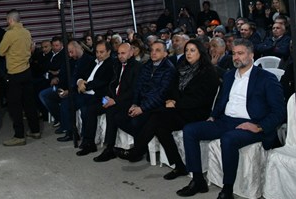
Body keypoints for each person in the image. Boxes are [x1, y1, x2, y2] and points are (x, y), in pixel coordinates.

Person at [178, 38, 285, 199]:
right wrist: (213, 116)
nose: (236, 57)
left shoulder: (266, 78)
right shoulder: (229, 76)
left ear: (251, 55)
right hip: (225, 121)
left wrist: (259, 126)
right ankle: (198, 180)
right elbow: (221, 100)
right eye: (234, 53)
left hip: (251, 123)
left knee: (228, 139)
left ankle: (227, 189)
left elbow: (279, 111)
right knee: (190, 130)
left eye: (240, 53)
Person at [120, 40, 219, 179]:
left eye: (192, 50)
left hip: (197, 112)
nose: (188, 53)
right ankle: (179, 166)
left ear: (201, 53)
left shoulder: (208, 72)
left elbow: (200, 99)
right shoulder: (183, 67)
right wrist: (172, 100)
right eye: (187, 50)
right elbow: (173, 89)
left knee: (157, 118)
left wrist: (176, 103)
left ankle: (137, 150)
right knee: (159, 125)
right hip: (181, 108)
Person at [116, 40, 177, 143]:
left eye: (157, 50)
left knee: (135, 122)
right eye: (152, 50)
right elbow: (138, 87)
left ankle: (139, 147)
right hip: (142, 102)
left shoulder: (169, 69)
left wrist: (142, 108)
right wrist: (135, 103)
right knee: (119, 117)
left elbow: (161, 95)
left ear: (165, 54)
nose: (153, 53)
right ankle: (141, 145)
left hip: (156, 106)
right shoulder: (147, 65)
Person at [0, 9, 41, 146]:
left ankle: (19, 136)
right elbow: (29, 49)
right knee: (29, 103)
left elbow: (1, 52)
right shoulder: (26, 32)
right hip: (27, 71)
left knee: (15, 106)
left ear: (10, 20)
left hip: (14, 74)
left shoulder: (9, 34)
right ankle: (35, 130)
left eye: (7, 20)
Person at [93, 42, 141, 162]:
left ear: (131, 53)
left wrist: (114, 101)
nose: (120, 56)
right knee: (91, 107)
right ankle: (89, 141)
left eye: (123, 53)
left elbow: (133, 91)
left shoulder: (137, 67)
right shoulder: (117, 65)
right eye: (118, 53)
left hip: (128, 101)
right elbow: (112, 84)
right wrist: (108, 97)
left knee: (111, 111)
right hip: (114, 98)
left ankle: (109, 149)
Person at [76, 41, 116, 156]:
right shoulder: (93, 61)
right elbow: (82, 74)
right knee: (73, 102)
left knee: (89, 109)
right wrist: (80, 82)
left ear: (109, 52)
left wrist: (85, 86)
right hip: (89, 93)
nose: (99, 54)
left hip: (104, 97)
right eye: (97, 52)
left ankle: (89, 142)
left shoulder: (110, 64)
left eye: (102, 52)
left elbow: (101, 81)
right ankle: (78, 135)